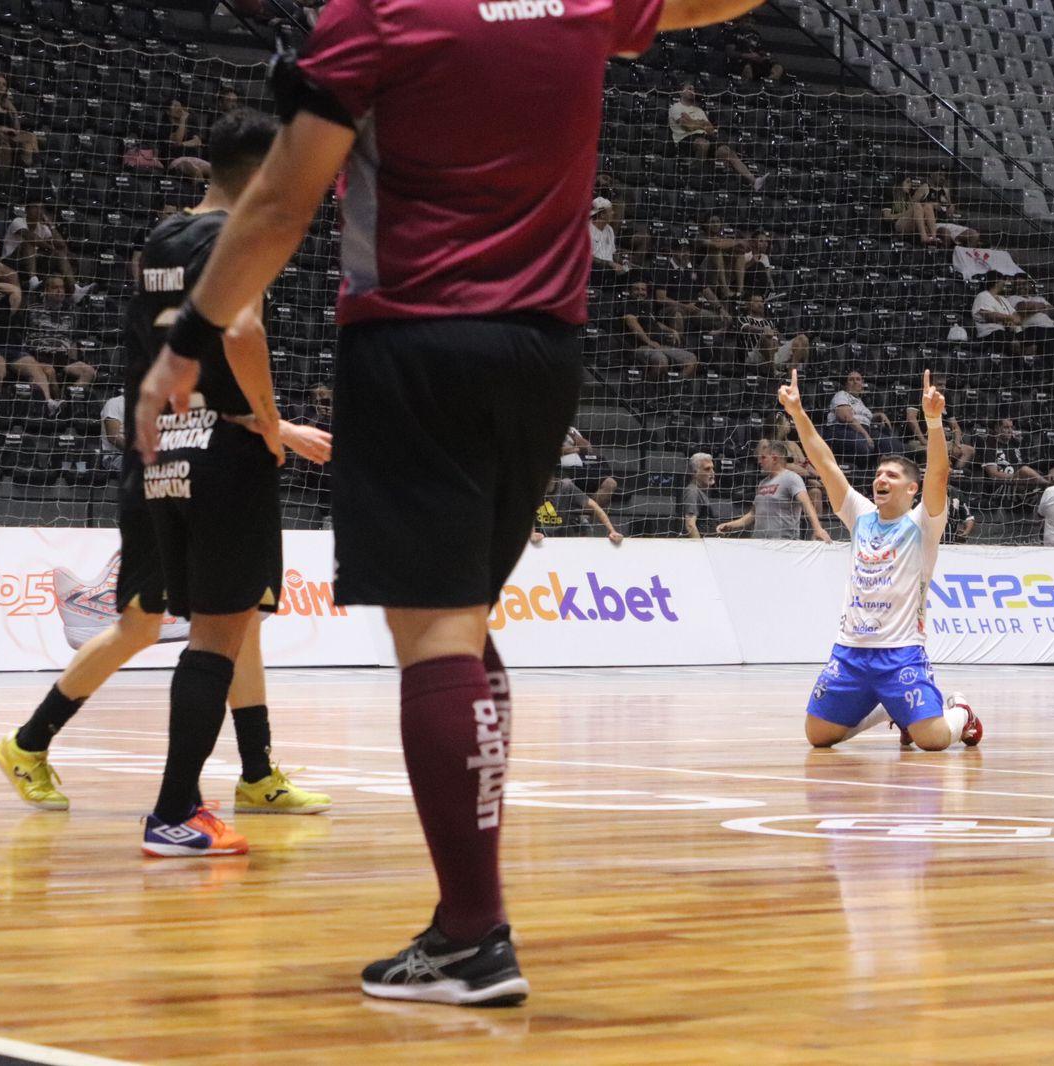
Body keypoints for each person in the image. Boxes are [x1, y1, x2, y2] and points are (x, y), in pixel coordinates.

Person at [131, 0, 761, 1007]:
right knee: (462, 626)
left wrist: (185, 343)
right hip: (546, 356)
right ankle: (464, 925)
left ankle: (473, 935)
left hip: (416, 344)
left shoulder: (379, 17)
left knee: (434, 638)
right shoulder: (583, 4)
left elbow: (281, 203)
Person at [0, 111, 335, 842]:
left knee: (176, 620)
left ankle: (251, 773)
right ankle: (171, 793)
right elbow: (240, 331)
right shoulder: (241, 237)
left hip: (157, 453)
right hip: (217, 447)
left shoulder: (160, 239)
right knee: (208, 621)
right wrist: (271, 425)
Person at [778, 367, 982, 750]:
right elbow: (825, 462)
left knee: (934, 741)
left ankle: (962, 713)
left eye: (890, 474)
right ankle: (890, 710)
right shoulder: (860, 514)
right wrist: (798, 414)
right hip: (851, 650)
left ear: (911, 488)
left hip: (901, 652)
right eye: (877, 474)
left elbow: (939, 474)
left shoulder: (923, 523)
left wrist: (934, 422)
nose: (880, 479)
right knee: (817, 737)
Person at [716, 439, 832, 541]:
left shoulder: (792, 478)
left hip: (784, 544)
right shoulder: (762, 483)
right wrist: (731, 525)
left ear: (775, 458)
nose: (759, 461)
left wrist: (818, 529)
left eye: (763, 457)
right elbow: (753, 514)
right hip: (759, 543)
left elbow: (807, 504)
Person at [667, 84, 765, 191]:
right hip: (684, 140)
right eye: (689, 89)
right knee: (703, 144)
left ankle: (754, 181)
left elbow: (710, 129)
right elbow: (686, 127)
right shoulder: (675, 108)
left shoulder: (699, 110)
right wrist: (701, 123)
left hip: (704, 137)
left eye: (693, 89)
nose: (692, 91)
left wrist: (694, 122)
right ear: (681, 92)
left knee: (726, 151)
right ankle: (697, 178)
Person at [620, 279, 697, 380]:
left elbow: (657, 323)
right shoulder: (627, 306)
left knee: (692, 360)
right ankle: (646, 388)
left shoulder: (647, 307)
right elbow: (633, 324)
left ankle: (674, 386)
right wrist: (649, 341)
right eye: (636, 289)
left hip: (659, 345)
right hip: (640, 346)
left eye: (643, 289)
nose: (640, 292)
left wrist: (672, 331)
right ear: (630, 291)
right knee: (661, 362)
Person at [823, 368, 897, 465]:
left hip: (864, 429)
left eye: (858, 379)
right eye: (851, 379)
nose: (855, 382)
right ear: (846, 384)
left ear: (862, 384)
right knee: (863, 445)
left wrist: (879, 415)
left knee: (893, 446)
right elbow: (846, 418)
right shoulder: (841, 395)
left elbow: (863, 417)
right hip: (843, 429)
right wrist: (866, 435)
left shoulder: (860, 401)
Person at [530, 475, 624, 543]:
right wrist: (532, 533)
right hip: (541, 538)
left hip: (566, 537)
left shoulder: (566, 487)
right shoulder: (533, 488)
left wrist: (612, 531)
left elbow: (595, 507)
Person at [971, 271, 1019, 345]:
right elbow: (989, 316)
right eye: (1003, 279)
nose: (1005, 282)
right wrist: (1008, 318)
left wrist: (1011, 321)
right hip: (990, 334)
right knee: (1014, 342)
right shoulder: (983, 296)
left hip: (1007, 332)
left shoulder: (1003, 299)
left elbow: (1017, 317)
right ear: (996, 281)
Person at [682, 451, 719, 538]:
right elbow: (690, 525)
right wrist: (699, 547)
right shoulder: (692, 492)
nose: (712, 473)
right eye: (707, 469)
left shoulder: (700, 491)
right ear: (694, 473)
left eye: (712, 468)